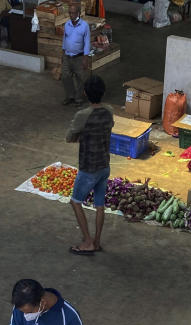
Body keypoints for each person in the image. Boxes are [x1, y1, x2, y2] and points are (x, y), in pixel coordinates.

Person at [66, 74, 114, 256]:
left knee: (75, 202)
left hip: (89, 168)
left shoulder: (82, 115)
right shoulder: (109, 110)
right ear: (103, 92)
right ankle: (97, 241)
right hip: (104, 165)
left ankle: (87, 241)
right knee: (99, 204)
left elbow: (70, 136)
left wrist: (81, 135)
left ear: (85, 93)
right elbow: (108, 127)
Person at [61, 3, 90, 107]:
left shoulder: (84, 26)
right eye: (70, 13)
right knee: (65, 77)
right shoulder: (67, 24)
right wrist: (63, 53)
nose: (71, 15)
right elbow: (65, 39)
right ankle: (70, 96)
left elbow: (87, 42)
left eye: (73, 13)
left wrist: (85, 58)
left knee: (80, 79)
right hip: (67, 57)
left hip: (79, 57)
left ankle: (78, 98)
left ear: (78, 13)